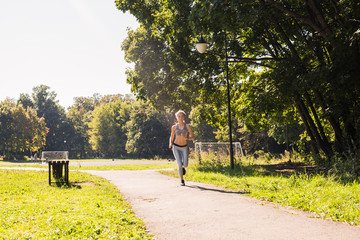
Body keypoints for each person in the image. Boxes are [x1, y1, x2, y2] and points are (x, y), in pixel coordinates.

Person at [169, 110, 195, 186]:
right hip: (176, 146)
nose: (180, 118)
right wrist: (170, 143)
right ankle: (182, 180)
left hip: (184, 147)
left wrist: (188, 138)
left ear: (184, 117)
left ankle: (183, 168)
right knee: (179, 164)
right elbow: (172, 136)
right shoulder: (174, 127)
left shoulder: (187, 126)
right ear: (176, 117)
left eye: (181, 116)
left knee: (185, 164)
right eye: (178, 116)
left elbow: (193, 137)